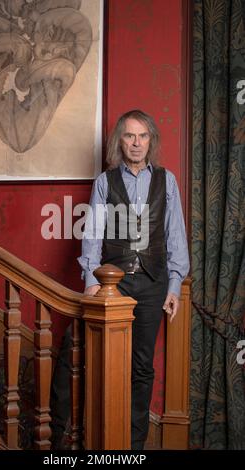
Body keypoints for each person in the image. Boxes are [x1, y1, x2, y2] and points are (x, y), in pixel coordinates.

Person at [78, 109, 190, 450]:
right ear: (120, 141)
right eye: (130, 136)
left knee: (142, 366)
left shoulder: (166, 180)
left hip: (154, 284)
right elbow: (93, 235)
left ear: (150, 140)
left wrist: (174, 285)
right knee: (104, 362)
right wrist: (91, 280)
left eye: (143, 136)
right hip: (114, 285)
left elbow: (176, 236)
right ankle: (101, 438)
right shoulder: (105, 182)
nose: (137, 143)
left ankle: (134, 445)